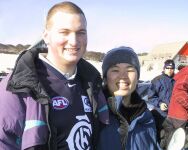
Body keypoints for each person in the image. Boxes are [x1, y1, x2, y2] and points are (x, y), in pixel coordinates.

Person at [0, 1, 109, 149]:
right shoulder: (17, 86)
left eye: (81, 32)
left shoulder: (92, 83)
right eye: (64, 32)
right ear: (46, 36)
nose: (74, 41)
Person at [97, 46, 160, 150]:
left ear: (137, 77)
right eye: (115, 70)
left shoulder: (145, 116)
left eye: (130, 70)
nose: (123, 76)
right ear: (105, 78)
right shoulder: (95, 115)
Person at [160, 65, 188, 149]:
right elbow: (180, 92)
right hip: (181, 118)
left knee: (173, 140)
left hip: (176, 115)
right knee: (181, 143)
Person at [147, 59, 175, 142]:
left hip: (173, 114)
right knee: (161, 136)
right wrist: (160, 104)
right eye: (168, 68)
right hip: (160, 114)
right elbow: (151, 97)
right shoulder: (157, 80)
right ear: (164, 68)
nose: (170, 70)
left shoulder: (176, 80)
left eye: (172, 68)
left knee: (171, 136)